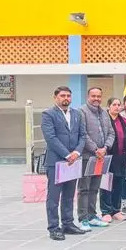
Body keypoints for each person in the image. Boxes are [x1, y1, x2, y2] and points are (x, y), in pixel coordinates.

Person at [41, 86, 87, 241]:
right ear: (56, 97)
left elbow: (82, 136)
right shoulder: (48, 114)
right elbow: (51, 138)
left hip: (73, 161)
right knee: (54, 197)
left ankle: (68, 223)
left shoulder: (77, 114)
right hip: (56, 162)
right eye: (62, 96)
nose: (66, 98)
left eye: (68, 95)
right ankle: (54, 228)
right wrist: (67, 154)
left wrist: (76, 153)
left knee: (69, 195)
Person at [78, 87, 116, 229]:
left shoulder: (104, 113)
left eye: (99, 96)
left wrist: (105, 148)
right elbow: (82, 134)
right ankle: (83, 218)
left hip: (101, 157)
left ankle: (92, 215)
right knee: (84, 188)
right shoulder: (82, 112)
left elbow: (111, 133)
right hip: (88, 156)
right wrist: (95, 149)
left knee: (95, 187)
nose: (96, 99)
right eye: (93, 96)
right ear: (88, 96)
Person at [101, 97, 126, 223]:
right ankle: (106, 211)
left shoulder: (124, 121)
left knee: (118, 184)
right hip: (108, 157)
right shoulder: (104, 120)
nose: (116, 107)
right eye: (114, 104)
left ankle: (116, 210)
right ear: (108, 106)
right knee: (106, 185)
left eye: (118, 104)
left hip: (121, 157)